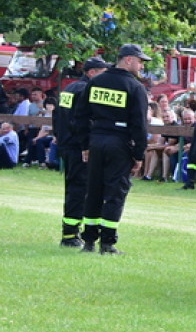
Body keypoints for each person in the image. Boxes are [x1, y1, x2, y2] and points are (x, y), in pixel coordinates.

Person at [71, 44, 150, 255]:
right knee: (115, 192)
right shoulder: (135, 88)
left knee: (94, 190)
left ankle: (88, 241)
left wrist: (85, 144)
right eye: (140, 61)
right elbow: (139, 125)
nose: (142, 65)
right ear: (128, 60)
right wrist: (139, 154)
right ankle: (107, 243)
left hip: (96, 140)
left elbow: (80, 116)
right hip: (119, 143)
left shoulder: (96, 82)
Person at [53, 56, 109, 247]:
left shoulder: (69, 88)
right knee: (80, 190)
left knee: (73, 188)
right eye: (103, 72)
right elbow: (83, 120)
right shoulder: (87, 90)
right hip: (79, 147)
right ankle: (70, 235)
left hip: (67, 145)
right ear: (91, 72)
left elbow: (57, 116)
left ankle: (70, 232)